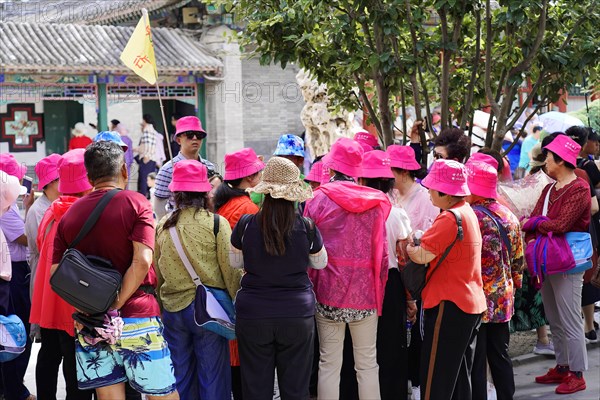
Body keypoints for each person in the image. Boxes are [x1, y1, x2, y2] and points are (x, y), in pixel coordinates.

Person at [51, 141, 178, 400]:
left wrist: (95, 305)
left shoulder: (69, 216)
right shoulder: (137, 203)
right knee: (161, 394)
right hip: (137, 315)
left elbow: (57, 272)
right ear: (123, 170)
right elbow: (142, 260)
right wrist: (117, 301)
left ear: (88, 177)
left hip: (91, 323)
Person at [230, 156, 327, 400]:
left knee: (255, 388)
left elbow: (235, 262)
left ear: (265, 191)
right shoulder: (306, 226)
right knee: (296, 389)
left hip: (253, 313)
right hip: (296, 313)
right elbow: (320, 262)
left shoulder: (246, 224)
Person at [304, 137, 391, 400]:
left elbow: (308, 249)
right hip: (365, 296)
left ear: (330, 169)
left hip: (327, 293)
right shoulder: (375, 203)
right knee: (367, 365)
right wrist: (380, 292)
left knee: (328, 364)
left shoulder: (317, 200)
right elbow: (383, 255)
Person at [155, 160, 241, 400]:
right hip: (210, 311)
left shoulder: (163, 225)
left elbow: (158, 273)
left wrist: (161, 307)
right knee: (212, 375)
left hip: (173, 309)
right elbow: (231, 271)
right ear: (205, 192)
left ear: (176, 192)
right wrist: (236, 303)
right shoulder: (216, 223)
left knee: (180, 375)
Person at [406, 159, 486, 400]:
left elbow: (421, 255)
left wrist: (410, 245)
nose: (429, 191)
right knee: (459, 376)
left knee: (436, 377)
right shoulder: (467, 212)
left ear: (446, 192)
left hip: (448, 303)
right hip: (469, 302)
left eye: (432, 187)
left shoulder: (449, 218)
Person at [522, 134, 590, 395]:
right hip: (549, 259)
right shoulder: (550, 188)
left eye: (549, 157)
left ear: (560, 160)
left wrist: (534, 225)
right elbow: (537, 218)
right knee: (554, 316)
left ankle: (577, 373)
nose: (546, 162)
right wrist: (535, 225)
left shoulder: (579, 188)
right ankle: (563, 366)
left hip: (569, 262)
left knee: (570, 317)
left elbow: (560, 224)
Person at [30, 149, 94, 400]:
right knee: (75, 368)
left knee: (50, 354)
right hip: (74, 303)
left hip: (50, 298)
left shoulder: (49, 212)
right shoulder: (84, 214)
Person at [465, 155, 524, 400]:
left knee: (477, 361)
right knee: (500, 356)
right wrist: (512, 286)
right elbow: (519, 261)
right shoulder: (509, 215)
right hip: (503, 299)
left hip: (477, 299)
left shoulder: (472, 218)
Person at [358, 150, 412, 399]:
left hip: (361, 284)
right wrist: (410, 298)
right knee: (392, 347)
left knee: (362, 349)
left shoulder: (353, 211)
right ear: (389, 181)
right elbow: (404, 259)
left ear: (361, 181)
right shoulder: (396, 213)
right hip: (391, 285)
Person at [214, 148, 264, 399]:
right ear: (250, 177)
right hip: (243, 292)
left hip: (221, 292)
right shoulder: (248, 209)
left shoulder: (222, 205)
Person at [0, 154, 35, 400]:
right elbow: (29, 239)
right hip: (13, 273)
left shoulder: (9, 206)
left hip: (14, 271)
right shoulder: (5, 211)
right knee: (15, 332)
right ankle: (14, 389)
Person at [154, 116, 216, 221]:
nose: (195, 138)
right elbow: (159, 205)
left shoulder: (209, 167)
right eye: (190, 135)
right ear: (178, 140)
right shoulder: (168, 169)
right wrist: (168, 228)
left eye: (199, 135)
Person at [25, 154, 61, 299]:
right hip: (44, 278)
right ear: (52, 181)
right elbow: (45, 249)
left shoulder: (59, 204)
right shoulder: (38, 211)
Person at [135, 114, 158, 198]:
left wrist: (146, 156)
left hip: (147, 158)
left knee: (144, 180)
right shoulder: (152, 129)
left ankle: (143, 198)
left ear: (145, 120)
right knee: (149, 179)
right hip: (152, 158)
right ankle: (148, 197)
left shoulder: (147, 129)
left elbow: (147, 145)